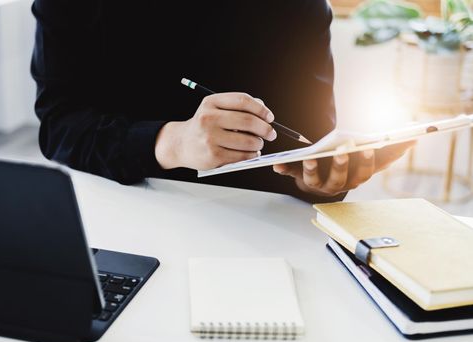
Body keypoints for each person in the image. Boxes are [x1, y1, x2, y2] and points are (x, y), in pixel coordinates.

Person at [31, 0, 412, 203]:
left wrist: (321, 180)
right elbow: (59, 124)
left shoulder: (297, 7)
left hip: (251, 222)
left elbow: (308, 140)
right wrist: (172, 142)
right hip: (120, 204)